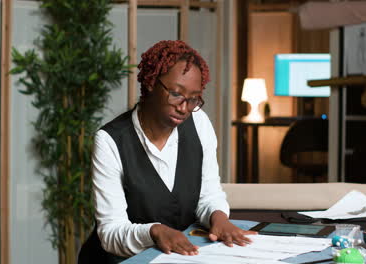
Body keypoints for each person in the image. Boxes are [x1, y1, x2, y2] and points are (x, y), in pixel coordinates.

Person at [78, 40, 255, 264]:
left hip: (178, 258)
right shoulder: (110, 141)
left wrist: (218, 217)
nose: (184, 108)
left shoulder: (199, 123)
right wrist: (154, 231)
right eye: (176, 94)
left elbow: (208, 194)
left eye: (193, 99)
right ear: (151, 83)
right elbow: (110, 233)